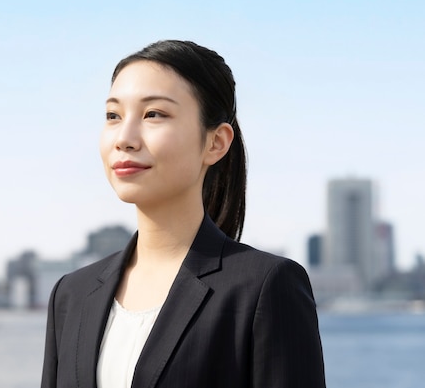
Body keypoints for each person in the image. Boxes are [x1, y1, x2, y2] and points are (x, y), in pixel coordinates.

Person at [41, 40, 326, 388]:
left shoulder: (264, 287)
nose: (125, 139)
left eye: (153, 114)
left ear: (216, 143)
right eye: (113, 116)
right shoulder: (71, 295)